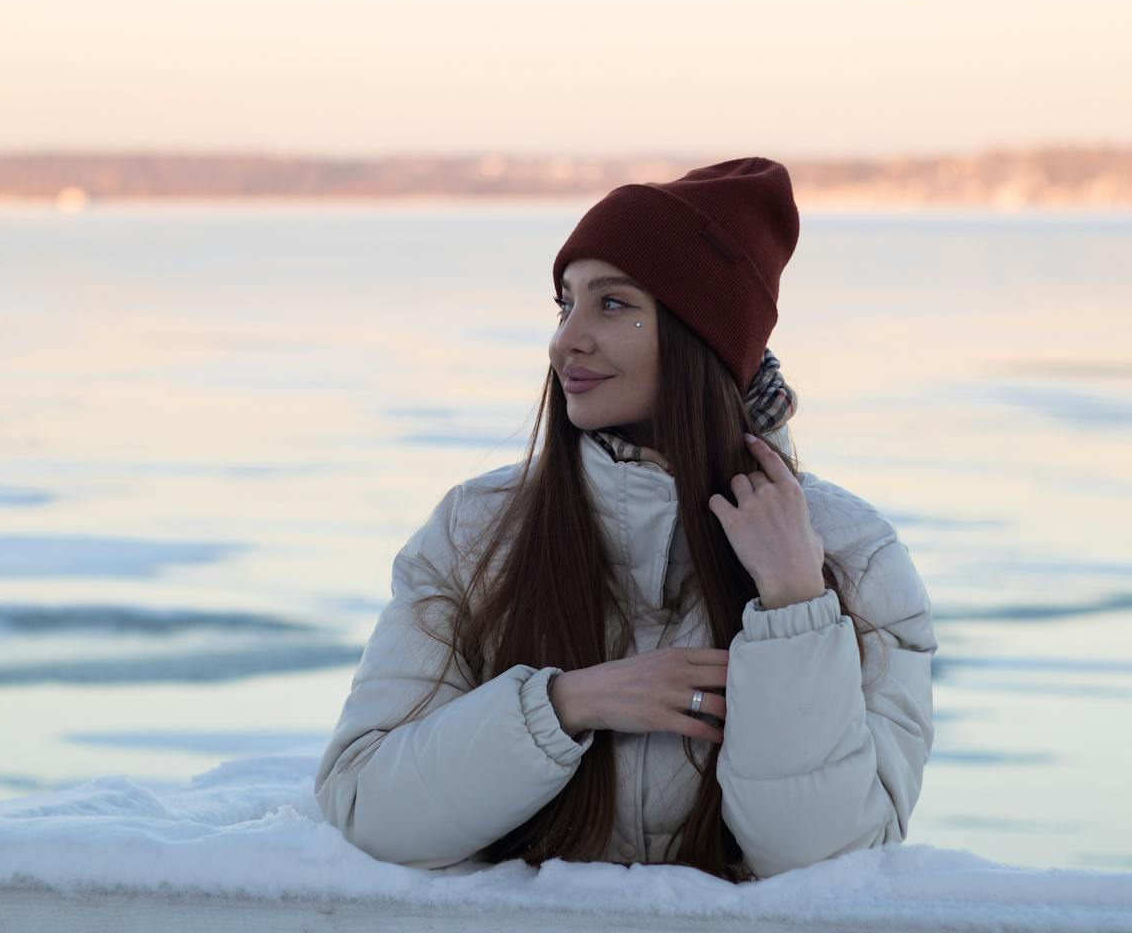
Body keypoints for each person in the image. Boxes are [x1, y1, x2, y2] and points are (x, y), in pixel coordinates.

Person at [314, 157, 938, 882]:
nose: (566, 341)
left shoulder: (855, 558)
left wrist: (795, 607)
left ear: (698, 335)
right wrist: (566, 705)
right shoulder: (474, 532)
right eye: (565, 304)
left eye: (611, 304)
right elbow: (368, 810)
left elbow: (822, 862)